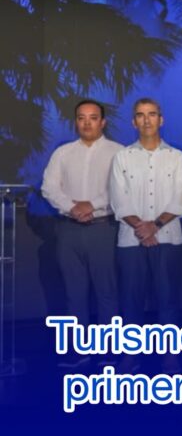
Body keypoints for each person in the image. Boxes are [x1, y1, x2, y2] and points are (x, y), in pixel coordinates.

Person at [41, 99, 123, 368]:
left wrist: (92, 205)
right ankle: (79, 351)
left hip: (104, 229)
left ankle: (109, 351)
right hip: (69, 230)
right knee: (73, 293)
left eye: (93, 117)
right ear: (76, 121)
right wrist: (72, 207)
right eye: (81, 118)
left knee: (107, 292)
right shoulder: (62, 153)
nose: (87, 123)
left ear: (103, 122)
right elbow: (49, 187)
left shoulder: (118, 153)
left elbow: (121, 189)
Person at [109, 98, 182, 373]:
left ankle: (170, 356)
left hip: (168, 238)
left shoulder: (176, 157)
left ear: (161, 120)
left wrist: (154, 226)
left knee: (168, 300)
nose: (146, 120)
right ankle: (131, 356)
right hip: (131, 240)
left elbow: (179, 201)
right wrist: (143, 229)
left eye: (152, 114)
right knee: (131, 302)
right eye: (140, 115)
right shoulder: (122, 157)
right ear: (134, 122)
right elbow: (119, 200)